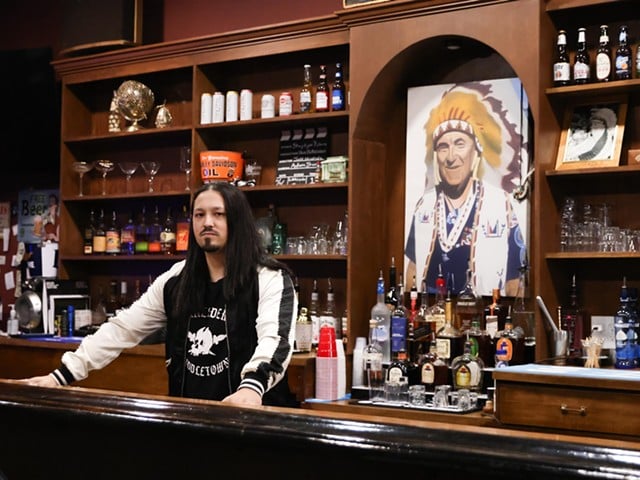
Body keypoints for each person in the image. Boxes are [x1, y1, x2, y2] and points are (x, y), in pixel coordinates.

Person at [20, 182, 299, 407]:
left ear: (237, 220)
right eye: (199, 215)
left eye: (219, 214)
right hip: (188, 420)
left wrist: (252, 388)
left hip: (254, 420)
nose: (207, 222)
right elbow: (122, 329)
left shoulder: (269, 278)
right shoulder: (175, 280)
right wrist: (60, 376)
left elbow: (275, 340)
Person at [405, 85, 527, 297]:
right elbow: (413, 270)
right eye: (443, 147)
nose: (451, 156)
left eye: (460, 144)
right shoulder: (425, 204)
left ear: (476, 153)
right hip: (433, 318)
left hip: (482, 319)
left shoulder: (499, 204)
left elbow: (515, 279)